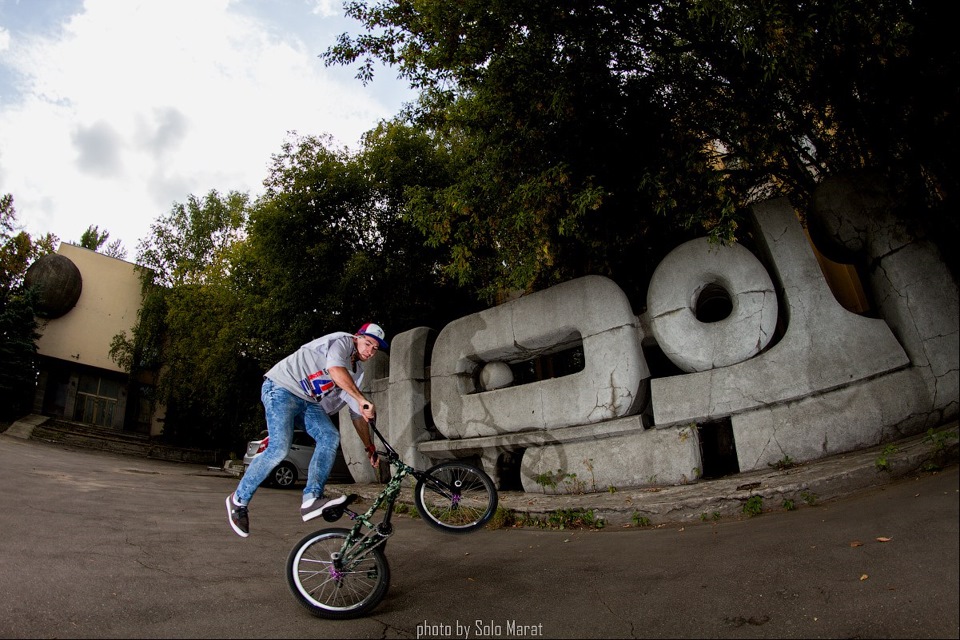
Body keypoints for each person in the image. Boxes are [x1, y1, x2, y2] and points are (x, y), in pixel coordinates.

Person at [226, 323, 388, 538]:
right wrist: (361, 398)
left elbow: (357, 413)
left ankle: (312, 499)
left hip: (307, 402)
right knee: (279, 448)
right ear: (357, 337)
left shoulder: (357, 373)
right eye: (367, 343)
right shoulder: (342, 342)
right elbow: (335, 370)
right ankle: (238, 500)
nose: (369, 351)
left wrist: (369, 446)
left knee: (330, 436)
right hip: (281, 388)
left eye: (374, 348)